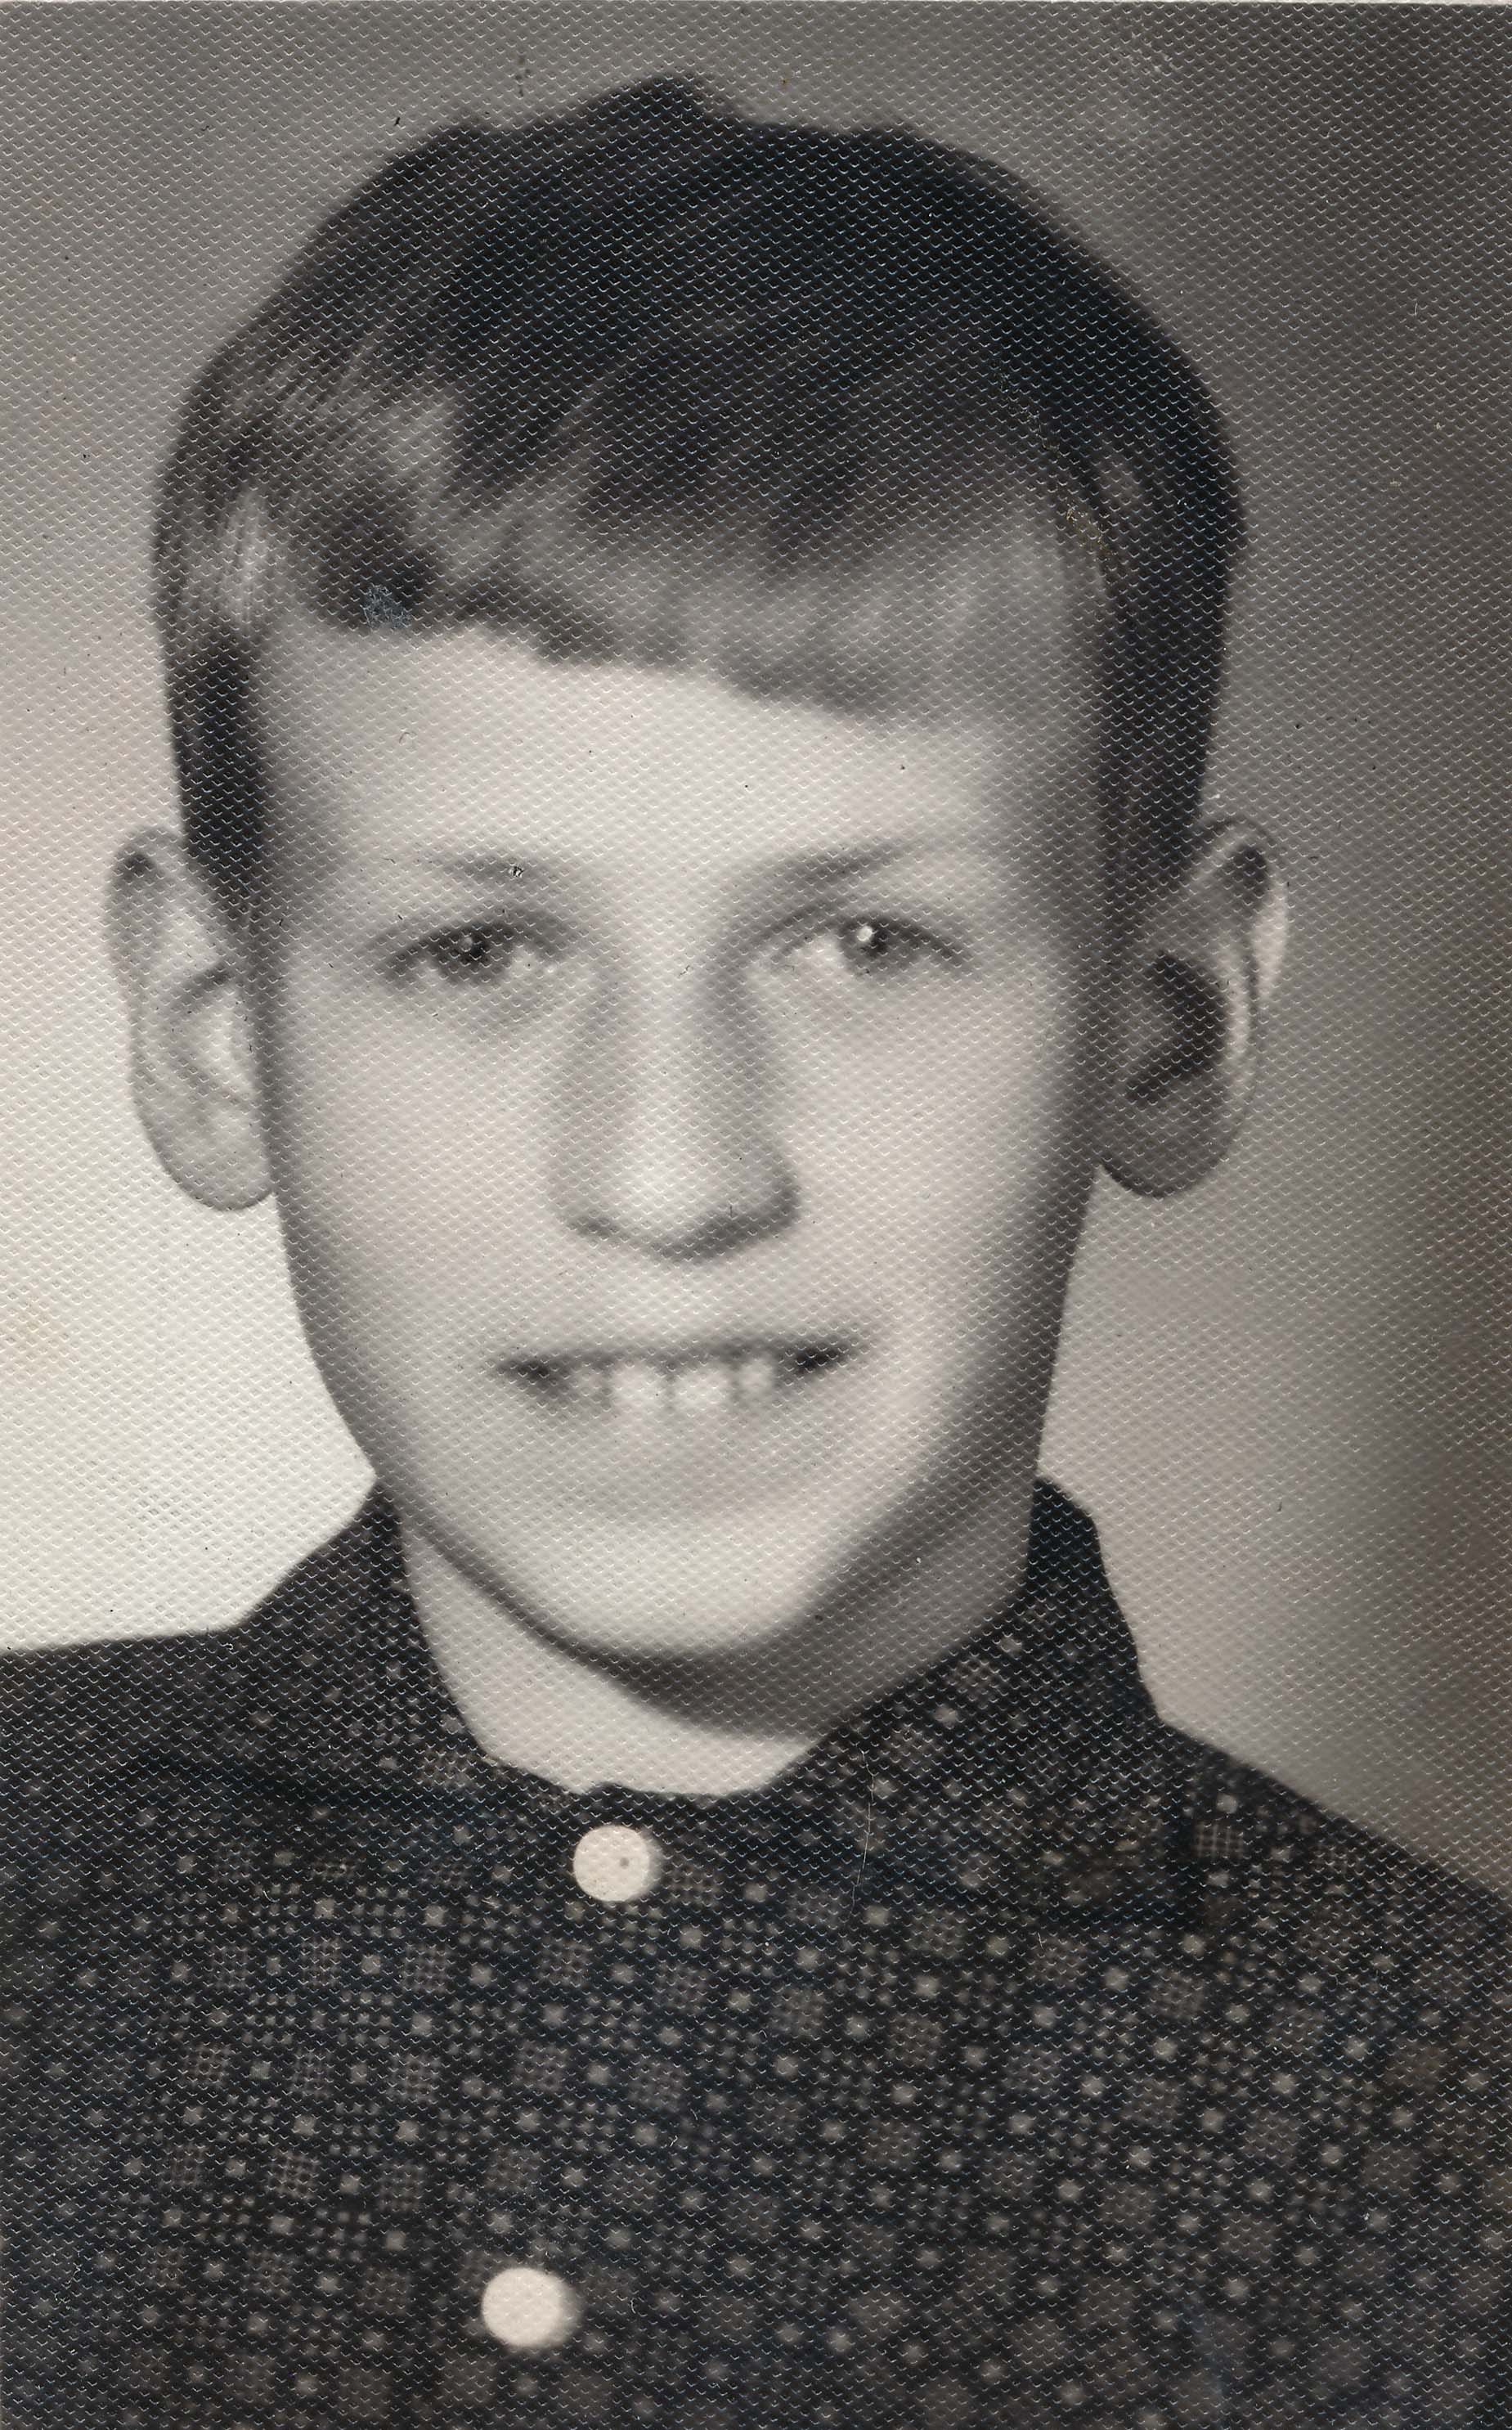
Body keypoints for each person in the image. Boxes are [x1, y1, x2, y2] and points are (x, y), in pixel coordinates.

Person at [2, 75, 1505, 2430]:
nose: (671, 1173)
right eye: (481, 951)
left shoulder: (1450, 2137)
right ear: (212, 1036)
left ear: (1168, 1017)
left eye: (866, 942)